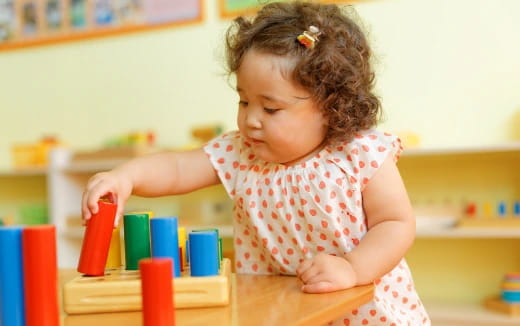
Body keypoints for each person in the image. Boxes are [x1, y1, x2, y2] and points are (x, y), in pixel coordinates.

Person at [82, 1, 430, 324]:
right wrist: (125, 177)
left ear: (330, 106)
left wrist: (352, 268)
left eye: (271, 108)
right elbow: (176, 169)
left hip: (363, 308)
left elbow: (395, 223)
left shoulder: (358, 152)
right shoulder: (240, 153)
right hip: (282, 309)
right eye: (244, 101)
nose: (250, 120)